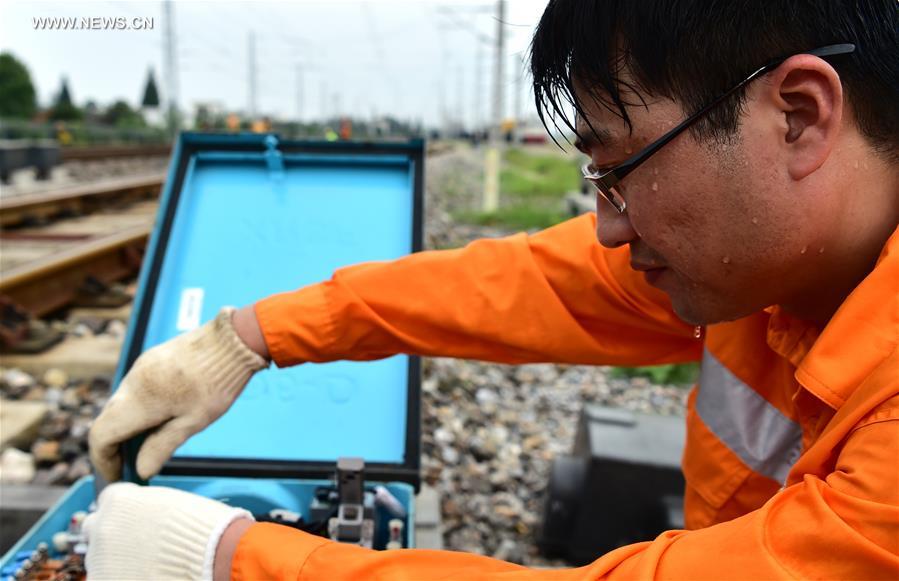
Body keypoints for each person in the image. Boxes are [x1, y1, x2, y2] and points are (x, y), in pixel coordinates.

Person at [84, 0, 898, 579]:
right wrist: (248, 337)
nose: (608, 226)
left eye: (618, 168)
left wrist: (229, 558)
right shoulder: (772, 261)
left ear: (797, 115)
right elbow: (526, 285)